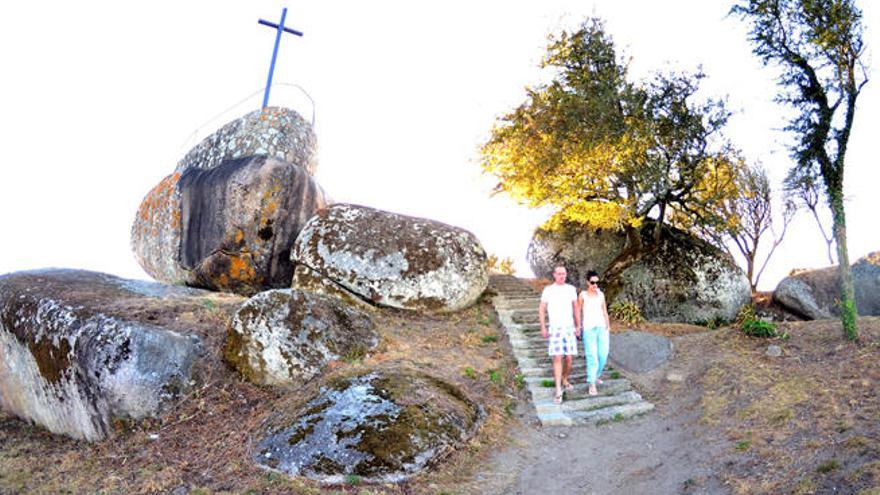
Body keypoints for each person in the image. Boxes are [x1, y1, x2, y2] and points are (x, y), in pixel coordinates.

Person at [539, 265, 581, 405]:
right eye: (559, 273)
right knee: (557, 358)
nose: (562, 276)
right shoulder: (548, 290)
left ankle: (565, 379)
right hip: (555, 329)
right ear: (554, 275)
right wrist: (543, 327)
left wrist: (578, 326)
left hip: (569, 328)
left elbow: (575, 308)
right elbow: (542, 309)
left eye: (564, 274)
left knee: (569, 359)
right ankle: (558, 389)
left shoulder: (571, 289)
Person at [578, 270, 611, 396]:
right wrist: (578, 326)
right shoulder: (583, 295)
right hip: (589, 329)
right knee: (592, 356)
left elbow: (604, 311)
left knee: (603, 355)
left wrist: (608, 325)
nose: (595, 285)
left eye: (597, 282)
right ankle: (592, 383)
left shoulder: (601, 295)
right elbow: (578, 311)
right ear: (587, 282)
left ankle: (596, 376)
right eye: (592, 282)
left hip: (602, 328)